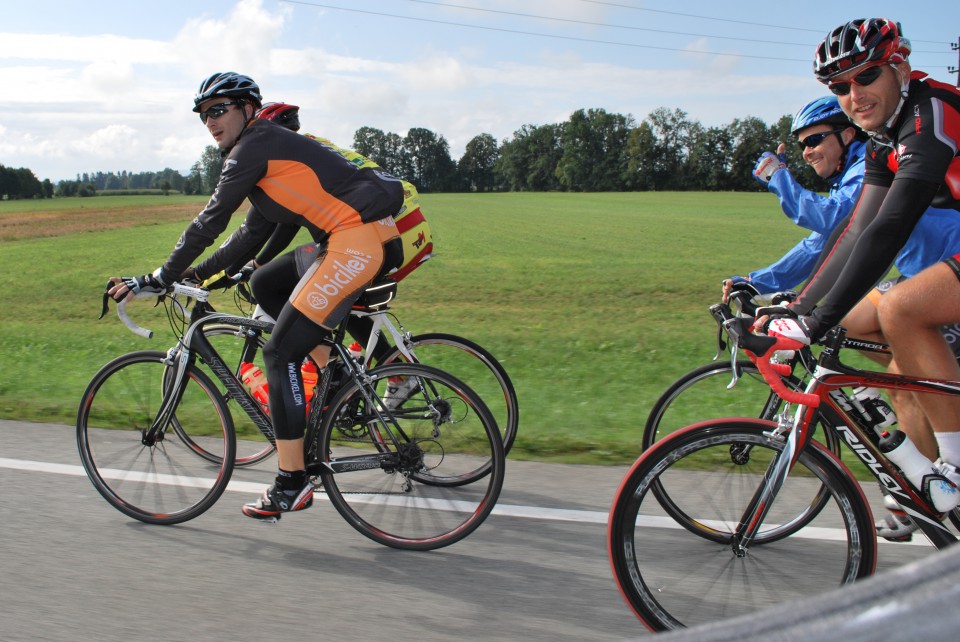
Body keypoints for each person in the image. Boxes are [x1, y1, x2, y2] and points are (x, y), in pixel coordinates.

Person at [108, 72, 405, 522]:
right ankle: (337, 376)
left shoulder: (254, 146)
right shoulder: (263, 159)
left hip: (356, 242)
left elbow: (210, 221)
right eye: (204, 115)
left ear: (248, 109)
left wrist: (158, 277)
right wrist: (193, 275)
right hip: (350, 239)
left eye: (218, 110)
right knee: (267, 282)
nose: (209, 121)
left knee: (280, 352)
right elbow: (245, 239)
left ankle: (292, 481)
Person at [759, 19, 960, 532]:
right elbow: (855, 232)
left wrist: (811, 321)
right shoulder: (881, 138)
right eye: (839, 86)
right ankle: (917, 480)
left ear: (899, 67)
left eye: (866, 76)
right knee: (859, 323)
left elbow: (890, 227)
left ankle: (955, 471)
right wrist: (798, 311)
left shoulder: (930, 114)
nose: (855, 94)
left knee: (899, 307)